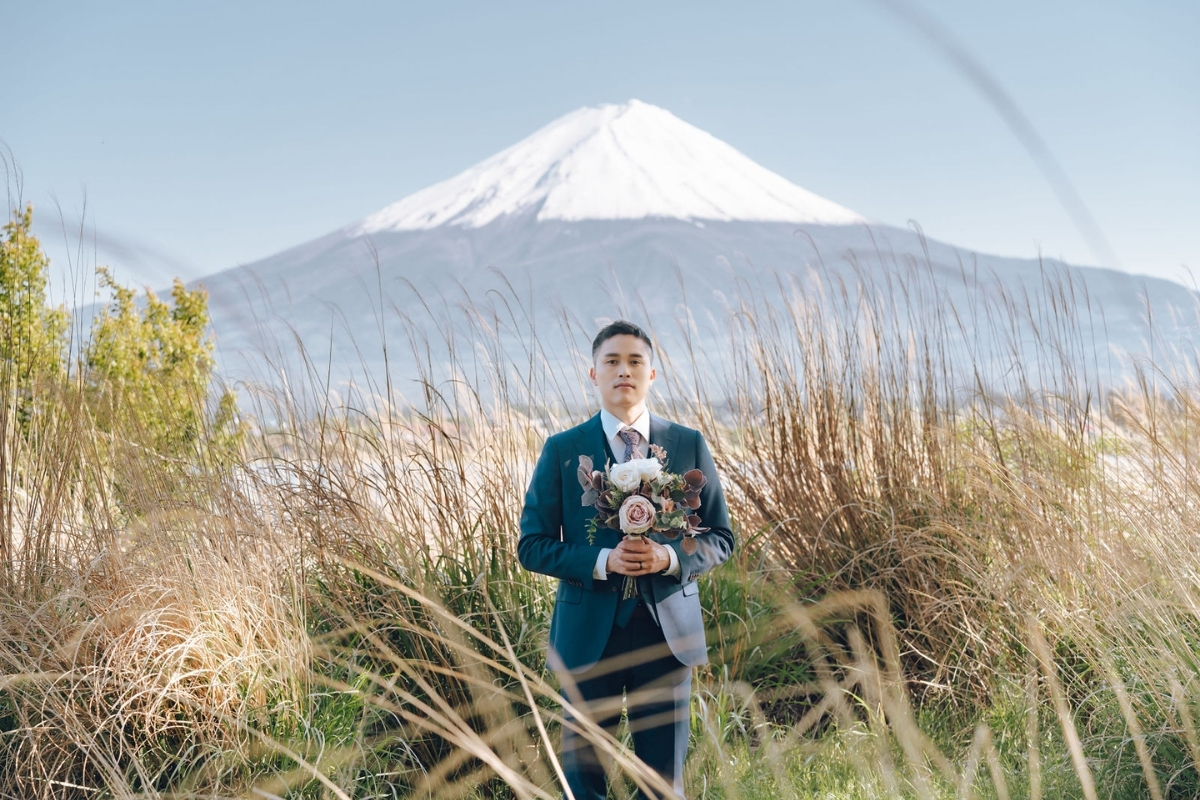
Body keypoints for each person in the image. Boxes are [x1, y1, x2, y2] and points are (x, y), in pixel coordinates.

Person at [518, 320, 735, 799]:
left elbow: (720, 536)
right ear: (593, 374)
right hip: (587, 635)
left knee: (661, 784)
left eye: (635, 361)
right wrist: (602, 561)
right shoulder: (562, 449)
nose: (624, 371)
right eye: (612, 361)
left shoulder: (687, 444)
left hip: (667, 633)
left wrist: (670, 556)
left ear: (652, 374)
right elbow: (531, 545)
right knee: (584, 781)